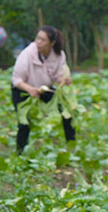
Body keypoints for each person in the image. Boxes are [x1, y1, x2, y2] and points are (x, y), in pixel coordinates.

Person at [11, 25, 75, 153]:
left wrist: (64, 79)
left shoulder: (59, 55)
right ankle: (19, 152)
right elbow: (16, 79)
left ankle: (72, 146)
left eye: (43, 40)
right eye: (37, 38)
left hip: (44, 89)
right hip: (23, 90)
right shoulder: (27, 54)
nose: (38, 42)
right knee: (24, 122)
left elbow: (57, 75)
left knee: (67, 112)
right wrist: (30, 89)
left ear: (52, 43)